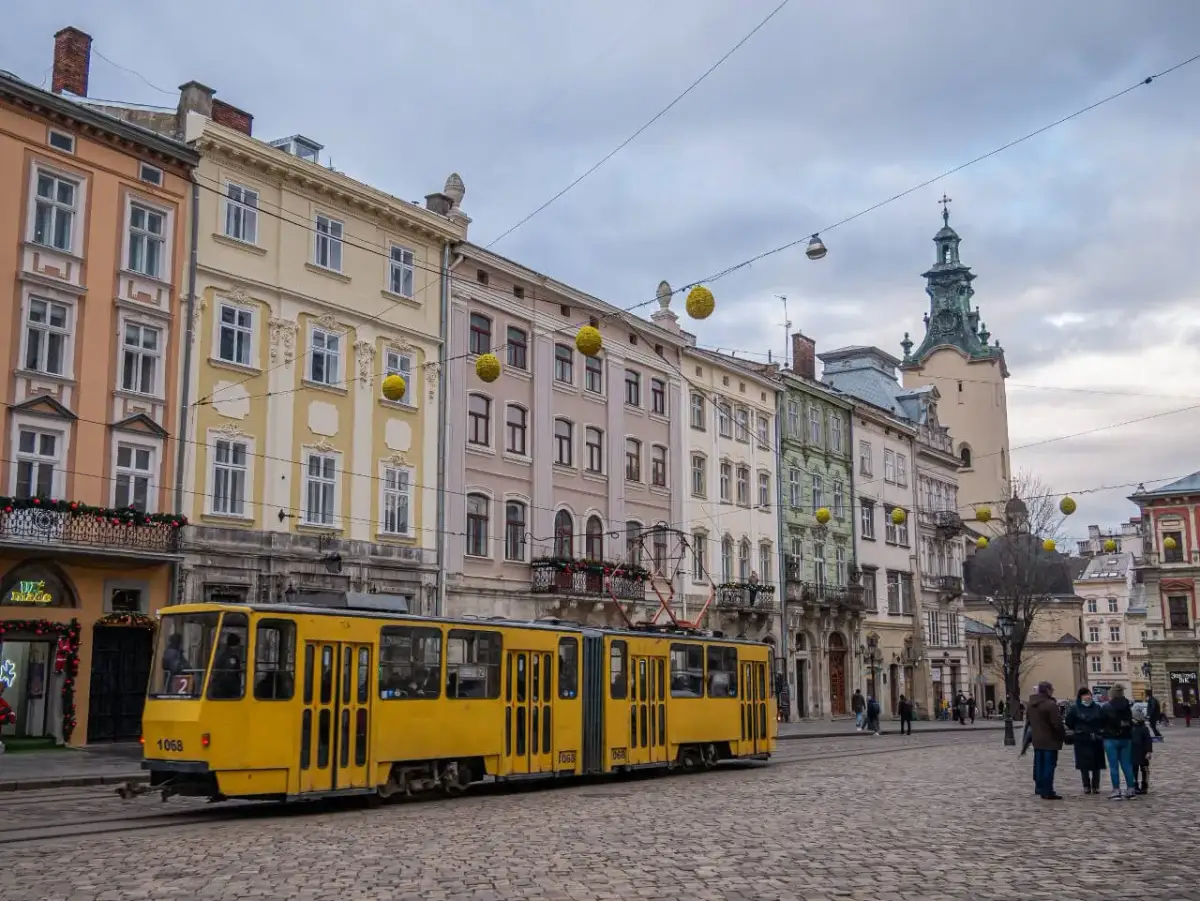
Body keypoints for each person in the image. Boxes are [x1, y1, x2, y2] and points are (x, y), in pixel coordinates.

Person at [1026, 681, 1065, 800]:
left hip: (1037, 739)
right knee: (1049, 766)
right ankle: (1048, 790)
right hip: (1050, 740)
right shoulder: (1050, 704)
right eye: (1051, 689)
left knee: (1039, 765)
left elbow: (1028, 721)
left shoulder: (1030, 704)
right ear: (1047, 690)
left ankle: (1039, 787)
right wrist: (1062, 735)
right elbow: (1056, 724)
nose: (1053, 691)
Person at [1064, 687, 1105, 794]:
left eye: (1089, 694)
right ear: (1080, 696)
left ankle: (1095, 786)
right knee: (1084, 764)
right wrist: (1078, 729)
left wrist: (1099, 731)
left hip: (1095, 738)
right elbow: (1069, 722)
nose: (1088, 697)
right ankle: (1086, 785)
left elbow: (1102, 720)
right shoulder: (1075, 708)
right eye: (1085, 695)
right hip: (1081, 739)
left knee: (1097, 764)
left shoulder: (1097, 707)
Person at [1102, 684, 1137, 800]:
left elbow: (1101, 722)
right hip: (1126, 738)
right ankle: (1131, 789)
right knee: (1127, 765)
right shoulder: (1127, 706)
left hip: (1111, 739)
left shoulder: (1106, 707)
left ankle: (1116, 790)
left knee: (1113, 766)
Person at [1131, 706, 1153, 794]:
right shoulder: (1129, 728)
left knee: (1144, 769)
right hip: (1132, 752)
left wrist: (1149, 751)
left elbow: (1148, 740)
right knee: (1133, 770)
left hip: (1143, 752)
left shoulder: (1144, 728)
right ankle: (1134, 785)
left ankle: (1144, 786)